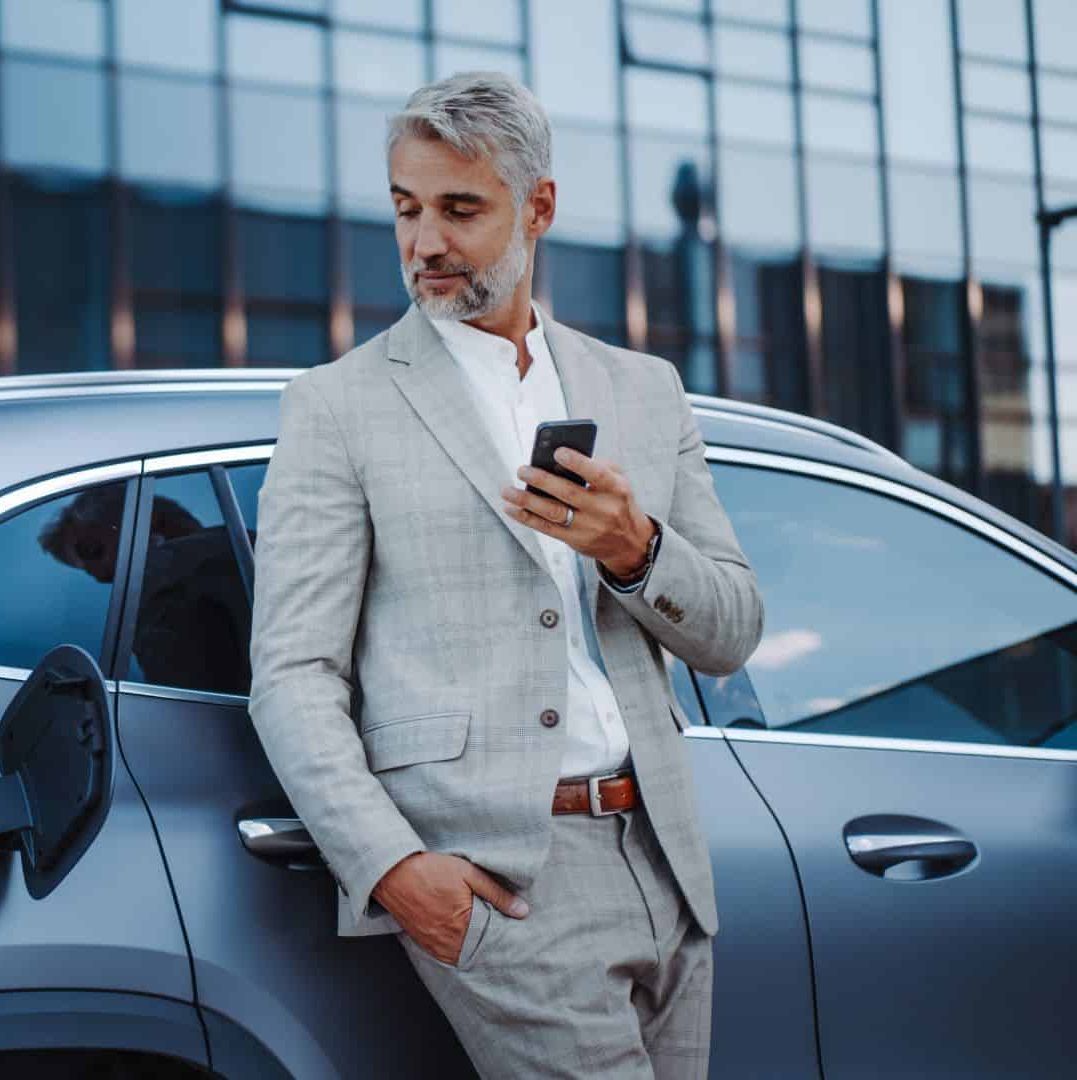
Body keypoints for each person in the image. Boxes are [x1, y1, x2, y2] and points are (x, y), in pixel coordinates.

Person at [246, 72, 764, 1080]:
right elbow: (294, 674)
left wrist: (635, 549)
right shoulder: (336, 408)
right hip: (504, 884)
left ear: (540, 206)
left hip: (666, 859)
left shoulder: (643, 392)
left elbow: (734, 627)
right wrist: (396, 872)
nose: (424, 243)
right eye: (405, 209)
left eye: (459, 208)